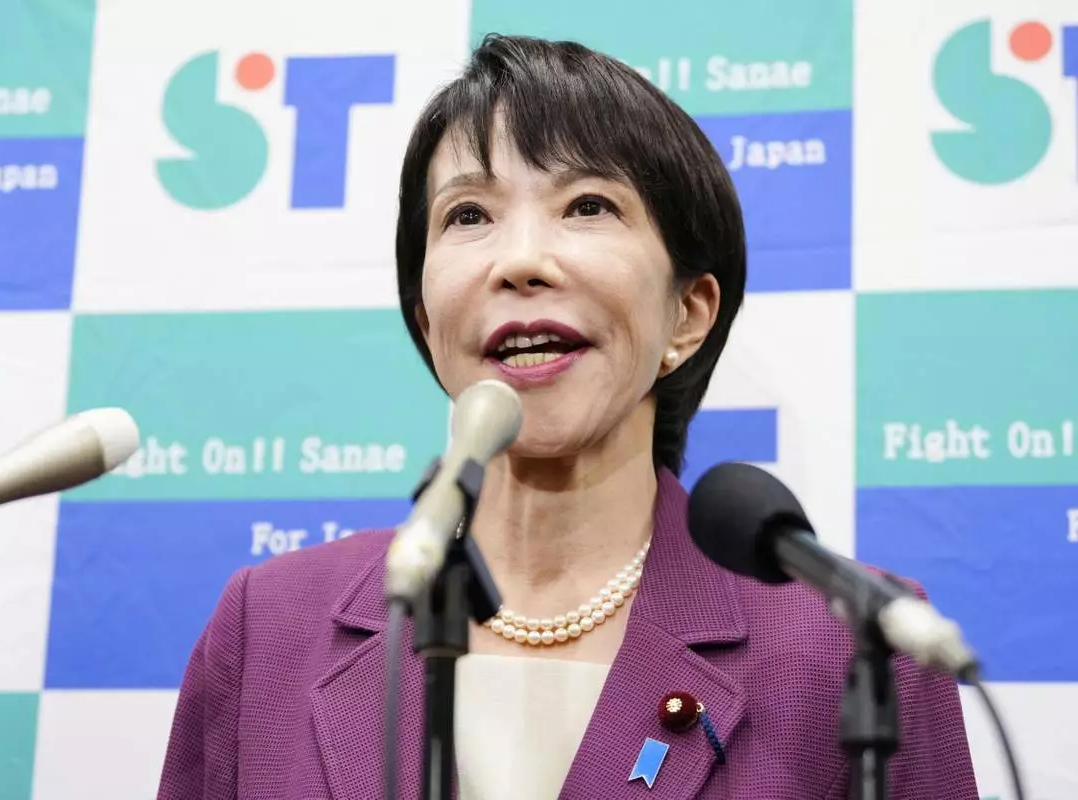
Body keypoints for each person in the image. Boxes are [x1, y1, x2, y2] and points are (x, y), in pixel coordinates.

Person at [157, 34, 979, 799]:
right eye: (468, 215)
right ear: (425, 319)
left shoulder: (854, 646)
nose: (519, 261)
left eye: (586, 206)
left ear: (688, 316)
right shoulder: (267, 626)